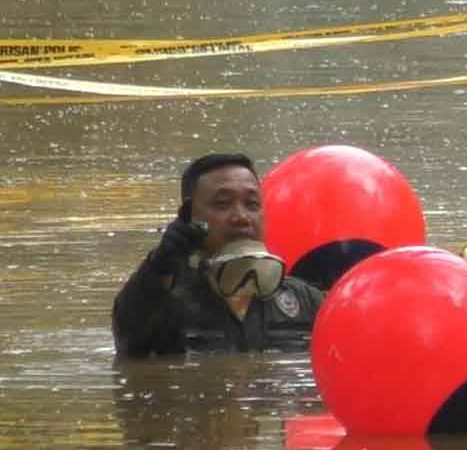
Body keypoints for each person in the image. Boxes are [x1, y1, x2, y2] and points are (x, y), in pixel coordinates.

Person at [112, 153, 325, 357]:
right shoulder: (164, 299)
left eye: (252, 204)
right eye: (222, 204)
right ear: (189, 216)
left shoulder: (304, 301)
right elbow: (129, 337)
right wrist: (160, 263)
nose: (241, 217)